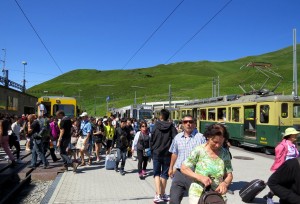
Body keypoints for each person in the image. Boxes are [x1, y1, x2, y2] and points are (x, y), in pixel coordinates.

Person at [181, 124, 233, 204]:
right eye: (215, 142)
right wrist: (200, 177)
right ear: (208, 137)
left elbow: (229, 175)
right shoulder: (199, 150)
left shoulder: (225, 153)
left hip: (217, 195)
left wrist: (224, 184)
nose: (217, 145)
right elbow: (184, 168)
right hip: (197, 193)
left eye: (220, 142)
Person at [168, 115, 206, 204]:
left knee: (197, 201)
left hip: (194, 174)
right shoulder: (177, 137)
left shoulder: (201, 138)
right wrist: (171, 167)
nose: (188, 124)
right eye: (185, 122)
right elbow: (174, 153)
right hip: (179, 173)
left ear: (194, 124)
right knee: (173, 200)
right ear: (182, 124)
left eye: (190, 122)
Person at [264, 127, 300, 203]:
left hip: (292, 169)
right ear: (289, 135)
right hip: (285, 168)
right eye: (294, 134)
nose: (296, 135)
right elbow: (278, 158)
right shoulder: (283, 145)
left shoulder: (294, 145)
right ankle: (269, 197)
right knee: (278, 184)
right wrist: (280, 168)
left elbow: (296, 155)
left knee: (287, 186)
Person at [150, 109, 178, 203]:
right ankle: (162, 194)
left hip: (156, 153)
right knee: (164, 174)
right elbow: (176, 139)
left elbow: (152, 139)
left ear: (161, 116)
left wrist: (152, 149)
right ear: (168, 117)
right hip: (167, 153)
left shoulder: (155, 126)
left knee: (156, 173)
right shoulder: (171, 127)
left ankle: (158, 195)